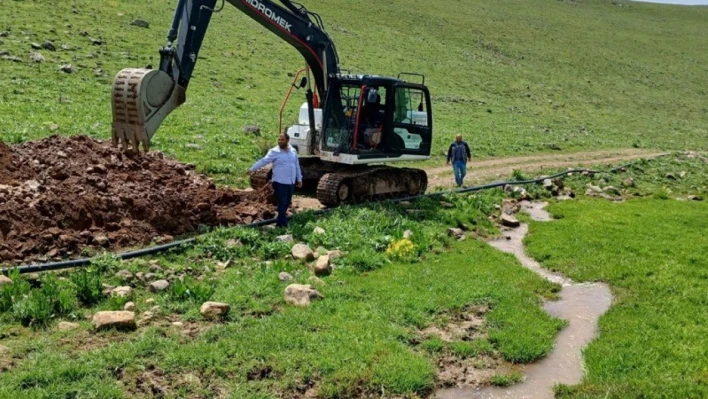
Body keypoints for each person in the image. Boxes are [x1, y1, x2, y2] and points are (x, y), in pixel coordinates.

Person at [248, 133, 303, 227]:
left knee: (286, 203)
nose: (280, 141)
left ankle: (279, 223)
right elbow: (264, 161)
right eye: (279, 140)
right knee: (281, 202)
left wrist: (299, 178)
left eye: (282, 140)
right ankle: (283, 225)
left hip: (291, 182)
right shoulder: (274, 151)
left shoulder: (293, 151)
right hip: (279, 182)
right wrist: (252, 168)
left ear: (287, 140)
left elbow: (296, 166)